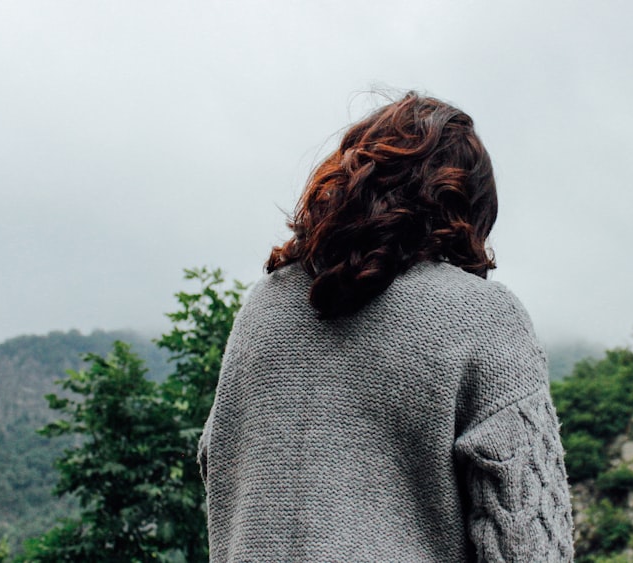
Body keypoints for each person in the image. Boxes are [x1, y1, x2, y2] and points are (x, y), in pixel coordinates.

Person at [198, 92, 574, 562]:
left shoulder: (262, 308)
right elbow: (528, 544)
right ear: (469, 206)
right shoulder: (483, 316)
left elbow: (221, 470)